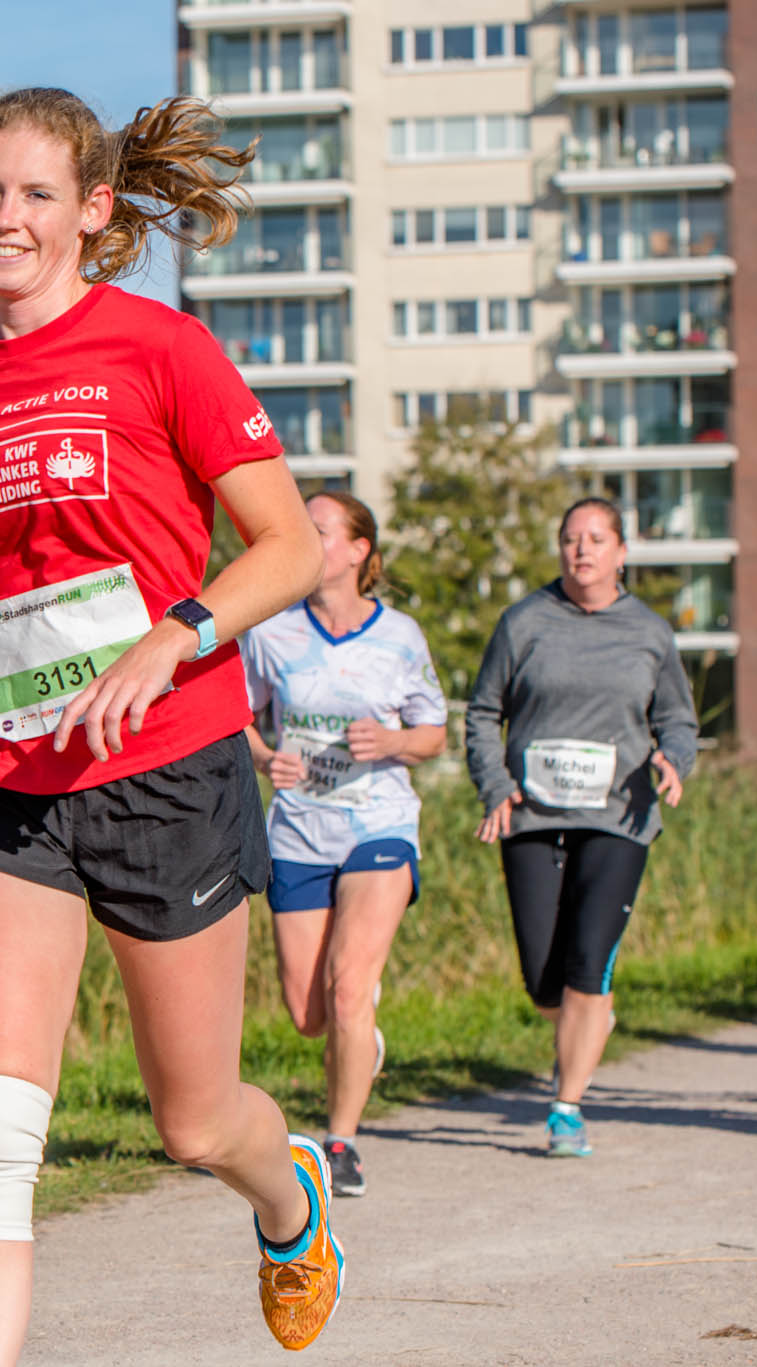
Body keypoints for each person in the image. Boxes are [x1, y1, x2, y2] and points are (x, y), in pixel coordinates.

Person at [0, 89, 343, 1361]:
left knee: (194, 1122)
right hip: (4, 782)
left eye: (34, 193)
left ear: (90, 209)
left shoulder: (160, 349)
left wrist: (172, 633)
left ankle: (288, 1197)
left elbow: (287, 546)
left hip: (165, 766)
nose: (3, 217)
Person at [465, 497, 698, 1157]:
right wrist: (496, 786)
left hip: (619, 816)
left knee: (588, 962)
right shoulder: (524, 621)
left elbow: (678, 719)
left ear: (621, 551)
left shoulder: (650, 632)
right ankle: (589, 1016)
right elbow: (482, 712)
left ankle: (566, 1107)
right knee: (546, 980)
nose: (582, 549)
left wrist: (673, 760)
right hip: (532, 813)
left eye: (597, 538)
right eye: (571, 538)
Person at [241, 491, 447, 1197]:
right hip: (299, 828)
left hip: (379, 825)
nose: (305, 536)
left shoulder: (401, 636)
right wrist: (266, 759)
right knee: (310, 1016)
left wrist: (392, 741)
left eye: (320, 529)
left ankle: (342, 1143)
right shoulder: (271, 630)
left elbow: (433, 733)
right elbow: (239, 717)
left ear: (359, 550)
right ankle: (361, 1038)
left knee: (350, 986)